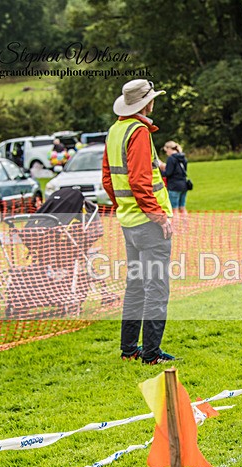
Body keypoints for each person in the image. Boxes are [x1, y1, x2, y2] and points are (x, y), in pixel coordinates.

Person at [101, 79, 175, 365]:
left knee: (135, 286)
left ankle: (129, 349)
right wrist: (158, 216)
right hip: (148, 223)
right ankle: (152, 354)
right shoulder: (139, 132)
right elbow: (140, 180)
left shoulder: (115, 130)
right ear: (147, 103)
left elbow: (108, 180)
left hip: (128, 221)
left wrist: (124, 204)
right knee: (156, 287)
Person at [160, 140, 189, 214]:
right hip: (184, 185)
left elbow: (168, 173)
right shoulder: (183, 157)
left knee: (174, 209)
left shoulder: (171, 159)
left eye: (166, 151)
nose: (166, 153)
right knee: (182, 207)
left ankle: (175, 225)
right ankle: (186, 224)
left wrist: (159, 171)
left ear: (169, 149)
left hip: (174, 186)